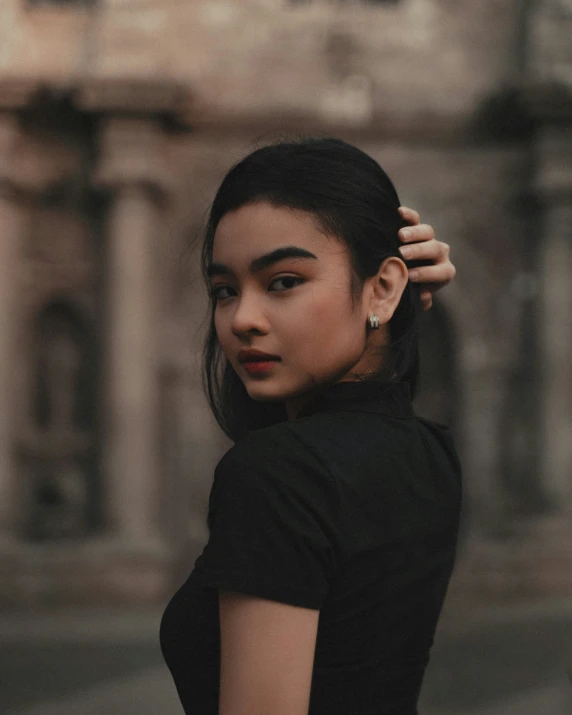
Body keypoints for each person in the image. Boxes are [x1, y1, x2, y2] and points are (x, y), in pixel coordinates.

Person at [160, 137, 461, 715]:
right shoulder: (431, 453)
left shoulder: (277, 472)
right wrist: (385, 307)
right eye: (224, 291)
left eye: (283, 282)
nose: (242, 319)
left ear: (386, 286)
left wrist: (386, 298)